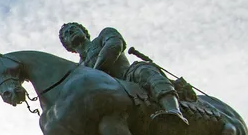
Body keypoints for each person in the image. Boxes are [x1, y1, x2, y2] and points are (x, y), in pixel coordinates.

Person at [59, 22, 189, 126]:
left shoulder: (104, 34)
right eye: (66, 33)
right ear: (67, 46)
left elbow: (114, 46)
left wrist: (94, 73)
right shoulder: (78, 69)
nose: (70, 31)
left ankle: (173, 110)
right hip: (106, 96)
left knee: (145, 71)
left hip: (128, 76)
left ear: (84, 31)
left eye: (73, 27)